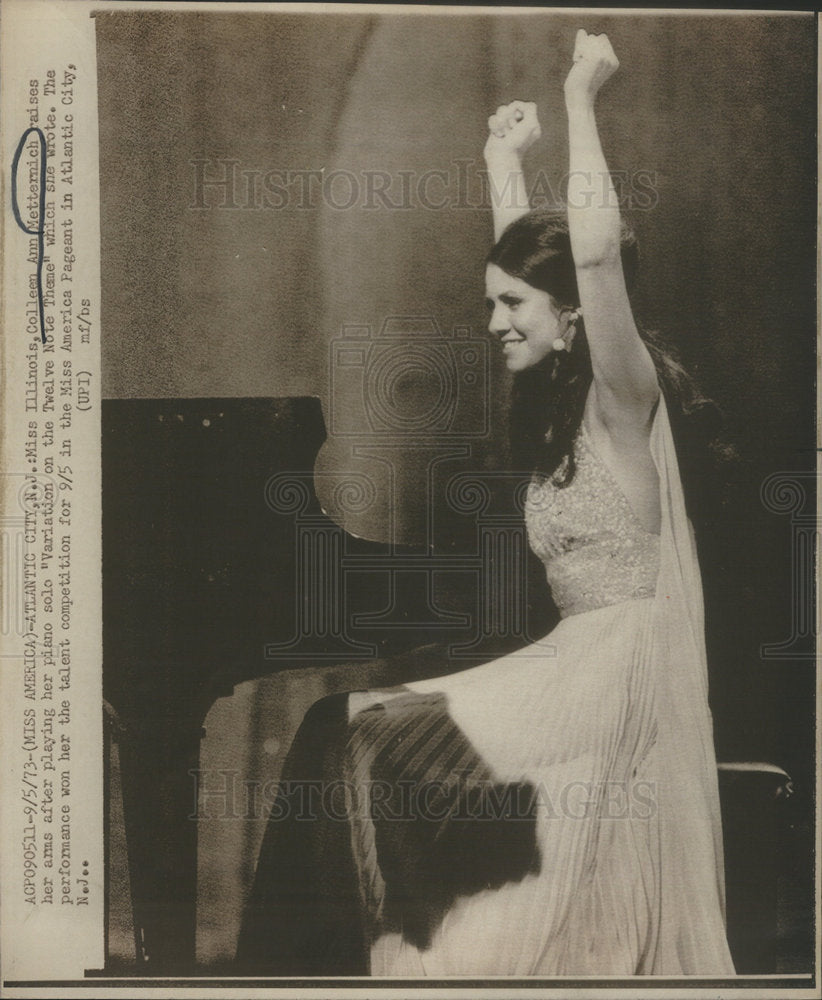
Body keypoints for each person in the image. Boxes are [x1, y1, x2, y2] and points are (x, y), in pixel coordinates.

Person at [238, 30, 736, 977]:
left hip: (620, 683)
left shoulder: (624, 402)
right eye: (490, 304)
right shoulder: (557, 405)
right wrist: (501, 164)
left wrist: (582, 99)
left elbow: (591, 258)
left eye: (512, 307)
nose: (495, 323)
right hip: (571, 676)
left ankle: (287, 976)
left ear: (574, 314)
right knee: (341, 732)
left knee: (354, 732)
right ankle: (309, 972)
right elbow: (539, 267)